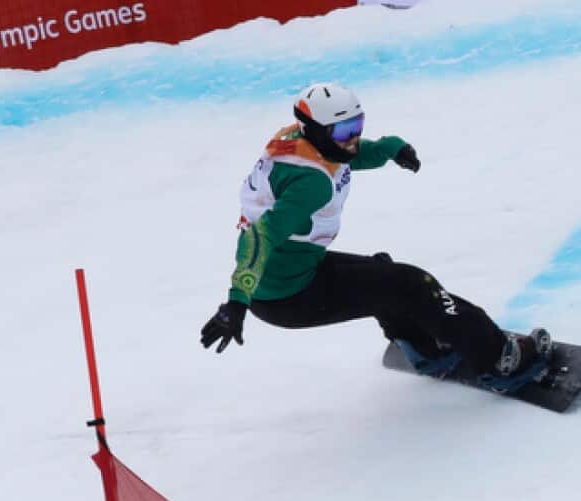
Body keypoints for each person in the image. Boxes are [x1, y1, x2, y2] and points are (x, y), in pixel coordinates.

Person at [199, 82, 552, 393]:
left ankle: (425, 349)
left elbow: (343, 156)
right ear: (316, 130)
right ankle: (500, 361)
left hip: (288, 276)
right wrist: (237, 301)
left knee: (383, 276)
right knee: (413, 285)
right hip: (289, 294)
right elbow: (257, 238)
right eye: (343, 130)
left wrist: (390, 148)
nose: (352, 137)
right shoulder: (312, 185)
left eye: (357, 125)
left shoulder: (299, 140)